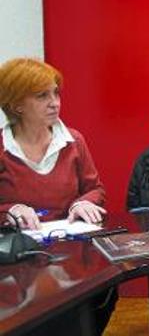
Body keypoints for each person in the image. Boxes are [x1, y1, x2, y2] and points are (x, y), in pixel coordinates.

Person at [0, 58, 106, 229]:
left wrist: (82, 203)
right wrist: (11, 210)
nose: (55, 103)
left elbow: (95, 189)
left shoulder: (73, 141)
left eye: (56, 93)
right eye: (42, 96)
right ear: (16, 105)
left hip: (70, 241)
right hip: (18, 249)